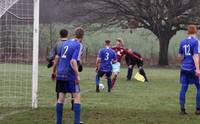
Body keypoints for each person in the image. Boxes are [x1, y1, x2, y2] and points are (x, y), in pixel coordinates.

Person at [52, 27, 84, 124]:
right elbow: (73, 61)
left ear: (74, 34)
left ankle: (58, 122)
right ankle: (77, 122)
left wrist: (54, 71)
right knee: (77, 97)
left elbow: (57, 57)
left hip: (60, 73)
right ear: (82, 36)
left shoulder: (65, 43)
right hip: (69, 74)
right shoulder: (78, 45)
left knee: (60, 98)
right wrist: (77, 75)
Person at [178, 24, 200, 115]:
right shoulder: (196, 42)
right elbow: (195, 56)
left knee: (184, 87)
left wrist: (183, 62)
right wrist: (198, 69)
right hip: (193, 68)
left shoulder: (182, 42)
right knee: (199, 87)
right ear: (196, 31)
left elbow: (179, 56)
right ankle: (198, 109)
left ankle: (182, 109)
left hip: (184, 68)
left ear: (188, 32)